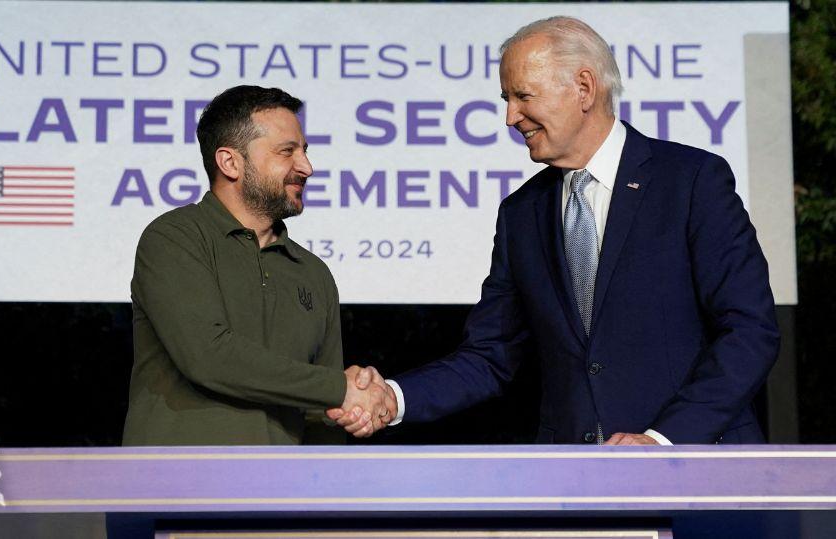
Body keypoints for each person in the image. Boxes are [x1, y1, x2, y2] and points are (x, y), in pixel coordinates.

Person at [330, 16, 779, 445]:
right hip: (578, 478)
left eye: (523, 96)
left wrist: (663, 440)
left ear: (584, 88)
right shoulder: (521, 214)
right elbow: (491, 355)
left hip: (696, 468)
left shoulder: (691, 181)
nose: (511, 117)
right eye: (506, 99)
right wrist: (393, 398)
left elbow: (749, 330)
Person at [121, 85, 393, 448]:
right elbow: (209, 356)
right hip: (178, 480)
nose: (307, 167)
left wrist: (348, 413)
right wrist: (341, 389)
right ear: (230, 162)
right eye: (287, 152)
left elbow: (321, 411)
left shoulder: (312, 273)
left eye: (305, 151)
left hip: (282, 483)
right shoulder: (175, 238)